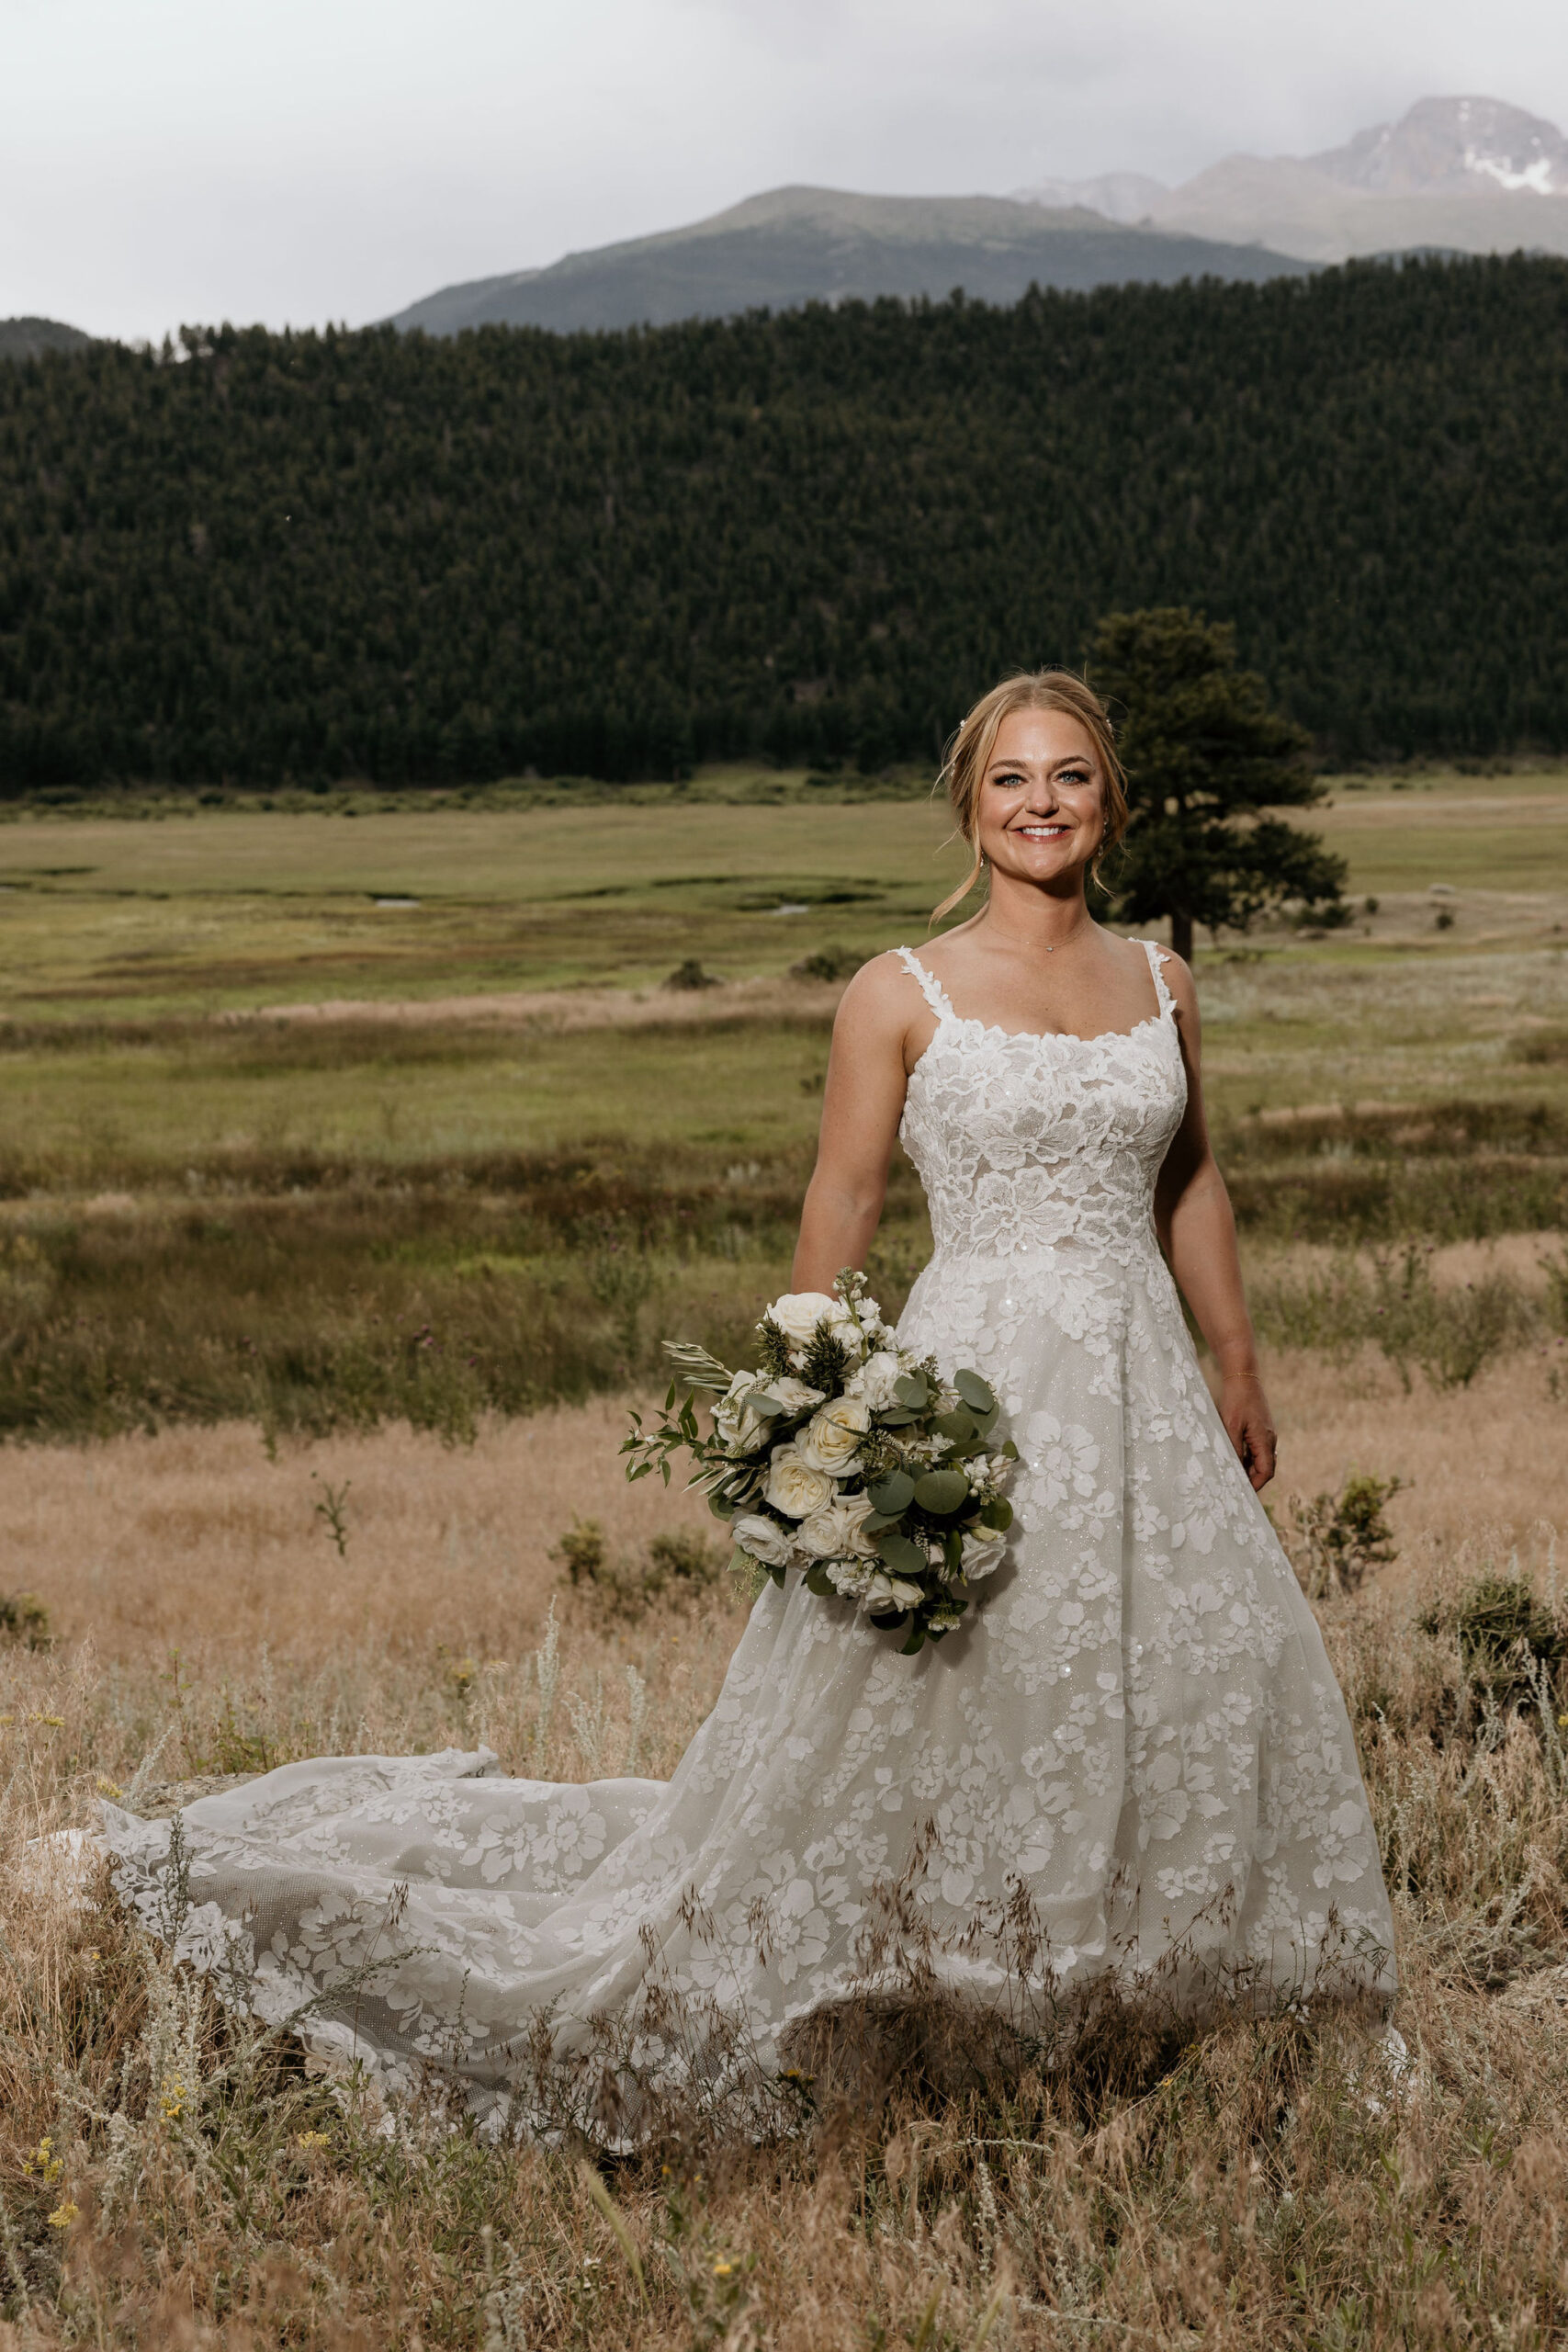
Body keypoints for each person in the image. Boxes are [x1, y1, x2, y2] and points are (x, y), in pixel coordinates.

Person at [102, 670, 1395, 2129]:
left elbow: (1190, 1178)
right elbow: (842, 1193)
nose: (1043, 804)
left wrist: (1238, 1361)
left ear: (1113, 801)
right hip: (974, 1384)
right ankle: (927, 1973)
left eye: (1072, 777)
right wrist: (811, 1409)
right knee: (941, 1674)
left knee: (1171, 1669)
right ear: (970, 806)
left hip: (1144, 1387)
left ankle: (1127, 1975)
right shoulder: (898, 991)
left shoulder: (1165, 982)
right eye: (1014, 779)